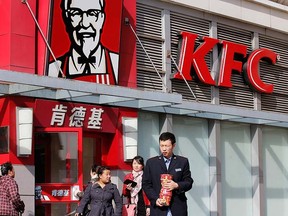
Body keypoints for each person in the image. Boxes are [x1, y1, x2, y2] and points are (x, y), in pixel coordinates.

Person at [48, 0, 119, 85]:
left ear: (102, 18)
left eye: (92, 13)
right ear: (67, 18)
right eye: (76, 13)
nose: (85, 24)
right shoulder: (53, 69)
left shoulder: (116, 64)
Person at [142, 132, 193, 216]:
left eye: (167, 146)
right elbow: (146, 184)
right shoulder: (151, 163)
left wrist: (176, 185)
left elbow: (189, 182)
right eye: (162, 146)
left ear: (173, 146)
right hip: (158, 209)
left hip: (178, 208)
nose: (164, 149)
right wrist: (155, 199)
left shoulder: (182, 162)